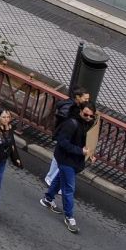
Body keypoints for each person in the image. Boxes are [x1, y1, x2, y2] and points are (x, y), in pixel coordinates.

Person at [39, 98, 90, 232]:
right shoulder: (72, 124)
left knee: (60, 180)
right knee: (69, 188)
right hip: (66, 159)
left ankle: (48, 199)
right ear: (80, 112)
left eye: (91, 115)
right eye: (86, 114)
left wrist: (87, 152)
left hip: (71, 159)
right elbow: (63, 142)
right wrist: (81, 151)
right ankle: (69, 217)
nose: (89, 117)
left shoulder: (83, 124)